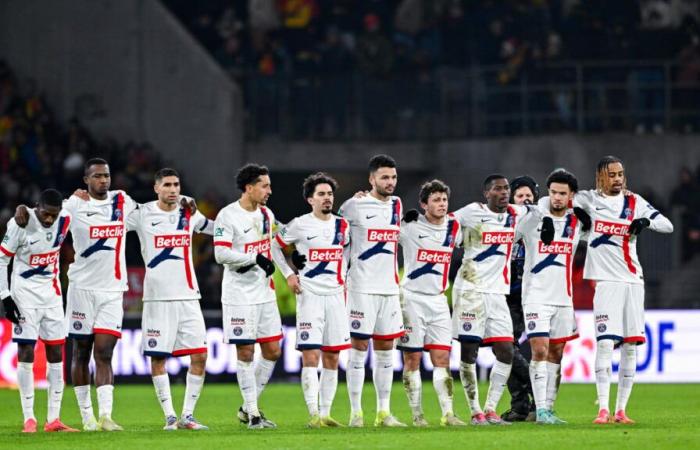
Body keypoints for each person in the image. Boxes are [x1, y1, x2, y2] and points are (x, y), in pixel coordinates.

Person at [16, 158, 139, 431]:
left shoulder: (122, 201)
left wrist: (183, 201)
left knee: (105, 352)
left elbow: (152, 210)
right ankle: (87, 418)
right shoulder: (74, 205)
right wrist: (21, 208)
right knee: (81, 352)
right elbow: (42, 213)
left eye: (106, 175)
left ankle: (106, 415)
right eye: (97, 176)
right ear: (86, 180)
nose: (103, 180)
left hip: (112, 289)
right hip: (81, 289)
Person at [565, 156, 673, 424]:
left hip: (633, 281)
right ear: (600, 176)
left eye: (621, 174)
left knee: (630, 347)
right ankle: (603, 409)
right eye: (612, 174)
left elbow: (668, 226)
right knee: (604, 343)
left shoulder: (634, 202)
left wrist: (646, 222)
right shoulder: (587, 199)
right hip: (605, 283)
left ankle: (621, 410)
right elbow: (557, 206)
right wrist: (578, 217)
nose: (618, 179)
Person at [452, 174, 542, 425]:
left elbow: (544, 208)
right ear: (486, 193)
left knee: (505, 350)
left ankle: (491, 409)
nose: (503, 193)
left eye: (505, 189)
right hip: (470, 291)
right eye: (498, 189)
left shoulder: (516, 214)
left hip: (497, 293)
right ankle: (475, 411)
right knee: (468, 352)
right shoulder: (470, 212)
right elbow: (443, 223)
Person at [126, 168, 213, 430]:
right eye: (167, 185)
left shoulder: (188, 209)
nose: (173, 189)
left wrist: (243, 228)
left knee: (199, 356)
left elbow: (212, 228)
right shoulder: (141, 214)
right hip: (157, 299)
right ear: (156, 188)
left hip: (188, 294)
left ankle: (187, 416)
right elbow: (110, 226)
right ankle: (170, 416)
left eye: (176, 184)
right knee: (158, 357)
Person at [271, 172, 351, 428]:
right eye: (321, 194)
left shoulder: (342, 225)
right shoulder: (299, 224)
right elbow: (274, 245)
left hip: (337, 296)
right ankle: (313, 414)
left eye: (329, 194)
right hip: (310, 296)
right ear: (310, 199)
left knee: (333, 356)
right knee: (311, 355)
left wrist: (345, 275)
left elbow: (347, 250)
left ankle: (326, 414)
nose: (327, 199)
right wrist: (289, 275)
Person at [1, 189, 78, 433]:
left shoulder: (65, 216)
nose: (48, 220)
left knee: (56, 353)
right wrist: (5, 297)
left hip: (53, 297)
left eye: (53, 216)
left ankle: (53, 420)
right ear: (37, 207)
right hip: (24, 298)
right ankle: (29, 419)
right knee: (25, 350)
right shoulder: (20, 223)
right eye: (45, 214)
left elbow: (80, 200)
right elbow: (1, 260)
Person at [339, 154, 406, 427]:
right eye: (384, 177)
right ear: (371, 179)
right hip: (361, 288)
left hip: (389, 289)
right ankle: (356, 413)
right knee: (358, 348)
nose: (390, 182)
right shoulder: (352, 206)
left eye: (393, 177)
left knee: (386, 350)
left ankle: (383, 412)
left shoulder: (398, 205)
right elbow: (339, 242)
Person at [213, 164, 281, 429]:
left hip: (265, 293)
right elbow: (221, 254)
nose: (269, 191)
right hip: (239, 294)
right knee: (246, 351)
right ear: (249, 188)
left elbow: (272, 244)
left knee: (273, 351)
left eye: (269, 185)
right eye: (264, 185)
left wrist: (290, 264)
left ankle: (246, 407)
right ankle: (253, 413)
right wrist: (254, 258)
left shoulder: (266, 213)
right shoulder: (227, 216)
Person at [517, 169, 588, 424]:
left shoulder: (576, 221)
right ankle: (541, 411)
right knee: (539, 350)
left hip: (563, 298)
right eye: (553, 192)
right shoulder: (533, 216)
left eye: (562, 194)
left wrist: (589, 223)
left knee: (556, 353)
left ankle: (549, 407)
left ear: (571, 196)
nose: (557, 197)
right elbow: (511, 237)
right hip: (536, 295)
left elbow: (598, 239)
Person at [397, 180, 466, 427]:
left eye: (444, 200)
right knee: (412, 359)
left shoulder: (454, 227)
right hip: (411, 300)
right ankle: (417, 416)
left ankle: (448, 414)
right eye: (436, 200)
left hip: (438, 301)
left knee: (442, 359)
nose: (442, 204)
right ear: (424, 204)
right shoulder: (410, 226)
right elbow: (379, 232)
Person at [501, 176, 539, 422]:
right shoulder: (502, 222)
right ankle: (526, 403)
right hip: (506, 292)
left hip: (531, 293)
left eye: (529, 196)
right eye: (520, 196)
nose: (526, 200)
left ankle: (524, 404)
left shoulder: (540, 221)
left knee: (507, 347)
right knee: (504, 346)